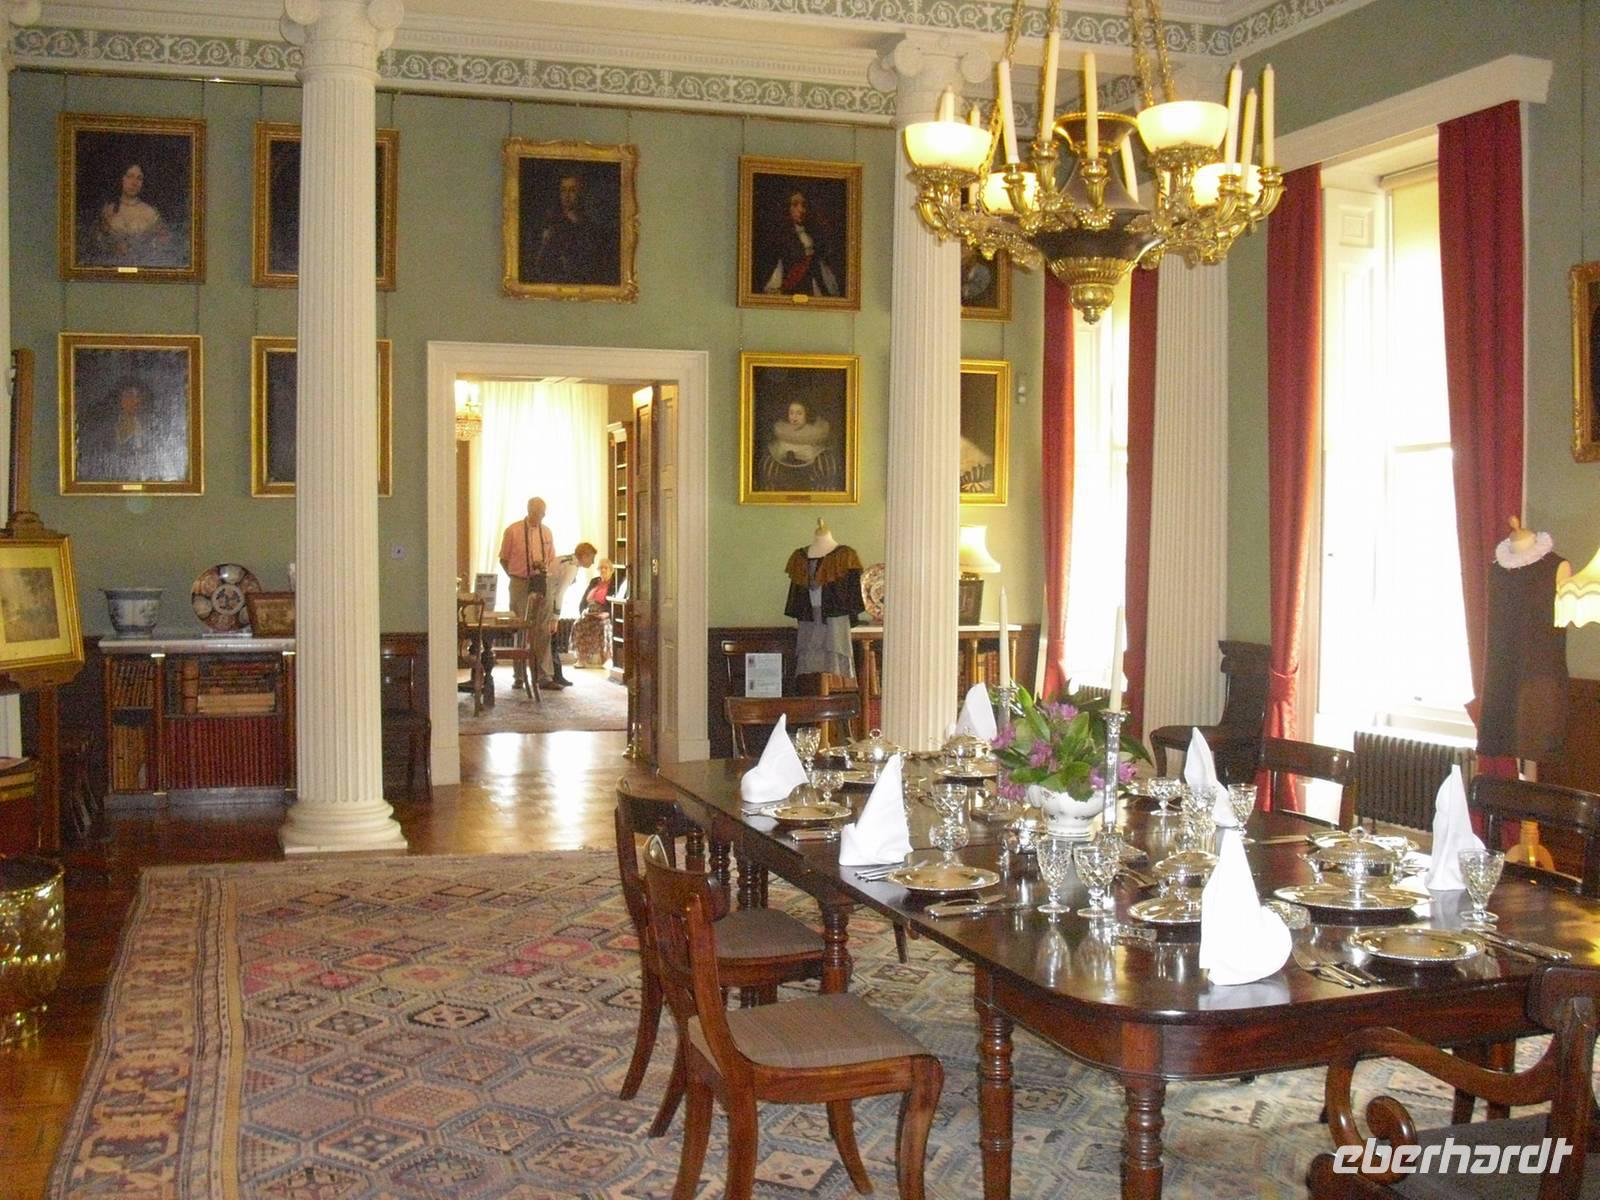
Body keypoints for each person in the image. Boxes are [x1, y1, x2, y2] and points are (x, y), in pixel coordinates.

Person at [76, 374, 186, 484]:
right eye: (129, 395)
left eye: (138, 396)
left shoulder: (154, 432)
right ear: (119, 399)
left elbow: (167, 471)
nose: (135, 401)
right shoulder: (105, 429)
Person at [498, 497, 556, 692]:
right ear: (530, 510)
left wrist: (542, 570)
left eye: (543, 512)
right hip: (520, 581)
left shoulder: (547, 532)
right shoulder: (513, 530)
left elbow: (551, 558)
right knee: (520, 627)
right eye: (538, 512)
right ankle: (519, 675)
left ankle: (544, 675)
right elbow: (503, 559)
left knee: (543, 629)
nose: (541, 516)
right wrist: (517, 575)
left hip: (541, 581)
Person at [527, 172, 614, 285]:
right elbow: (539, 264)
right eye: (563, 190)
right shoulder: (550, 223)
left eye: (572, 190)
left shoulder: (591, 228)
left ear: (581, 193)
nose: (567, 196)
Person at [87, 162, 176, 267]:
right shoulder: (107, 210)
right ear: (121, 178)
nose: (134, 183)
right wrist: (112, 246)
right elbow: (95, 244)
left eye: (139, 178)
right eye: (129, 176)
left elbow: (164, 245)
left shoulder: (150, 212)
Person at [759, 188, 840, 297]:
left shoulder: (814, 234)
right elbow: (777, 272)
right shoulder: (779, 237)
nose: (801, 210)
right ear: (786, 208)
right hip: (792, 288)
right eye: (795, 205)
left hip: (815, 286)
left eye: (804, 205)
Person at [541, 541, 598, 688]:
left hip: (542, 599)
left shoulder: (563, 559)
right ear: (584, 556)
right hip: (548, 602)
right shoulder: (572, 567)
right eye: (591, 558)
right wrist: (555, 618)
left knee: (548, 641)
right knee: (550, 640)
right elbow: (559, 593)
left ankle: (554, 674)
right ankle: (552, 675)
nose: (592, 563)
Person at [761, 399, 839, 492]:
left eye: (799, 413)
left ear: (807, 415)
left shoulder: (816, 439)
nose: (794, 417)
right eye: (791, 413)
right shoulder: (780, 438)